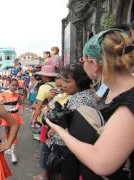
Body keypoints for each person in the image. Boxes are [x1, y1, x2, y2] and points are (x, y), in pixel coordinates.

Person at [46, 29, 134, 179]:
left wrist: (61, 131)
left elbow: (101, 163)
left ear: (94, 63)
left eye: (83, 60)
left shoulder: (128, 105)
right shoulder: (113, 91)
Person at [0, 78, 23, 164]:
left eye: (16, 85)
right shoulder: (3, 94)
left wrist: (20, 98)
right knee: (7, 134)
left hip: (15, 117)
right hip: (6, 116)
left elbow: (20, 103)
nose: (14, 87)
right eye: (13, 85)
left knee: (14, 135)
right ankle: (8, 149)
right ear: (9, 85)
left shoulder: (17, 94)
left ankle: (13, 153)